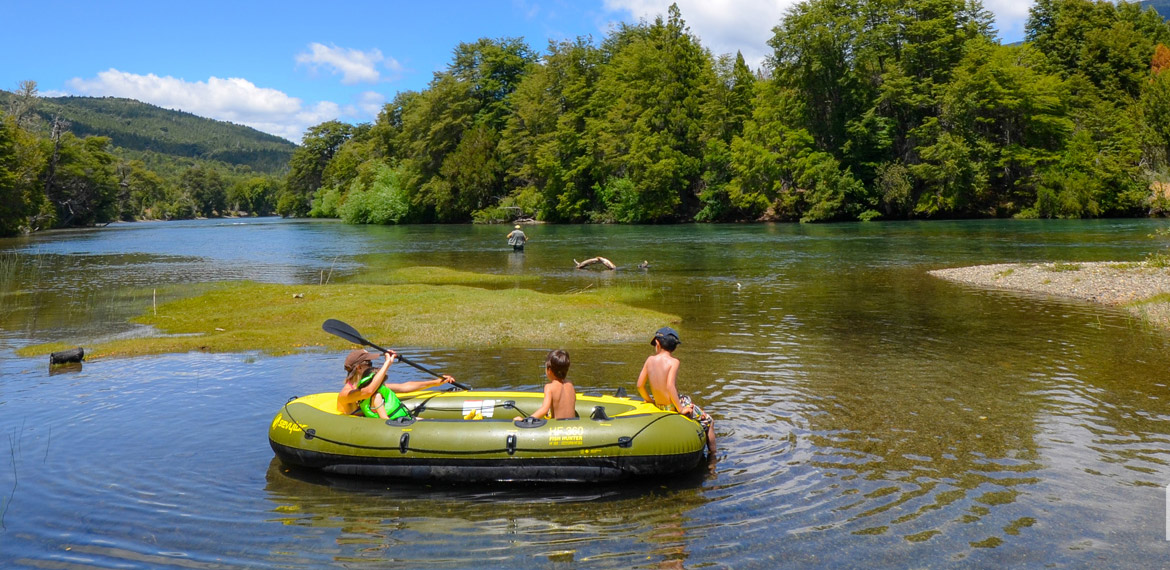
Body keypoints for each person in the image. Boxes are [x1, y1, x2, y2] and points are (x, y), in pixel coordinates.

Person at [636, 327, 716, 455]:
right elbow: (669, 386)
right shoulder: (674, 362)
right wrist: (680, 409)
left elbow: (640, 385)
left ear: (657, 343)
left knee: (685, 397)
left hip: (659, 404)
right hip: (672, 406)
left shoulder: (649, 360)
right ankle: (713, 457)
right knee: (709, 421)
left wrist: (650, 400)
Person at [337, 348, 455, 419]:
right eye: (369, 363)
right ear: (358, 367)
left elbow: (403, 387)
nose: (371, 365)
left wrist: (436, 382)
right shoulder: (346, 394)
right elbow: (367, 392)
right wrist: (387, 363)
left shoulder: (369, 385)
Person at [516, 349, 576, 420]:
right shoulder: (570, 384)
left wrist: (526, 420)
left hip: (557, 428)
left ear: (549, 370)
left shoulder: (549, 387)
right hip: (573, 426)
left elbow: (544, 410)